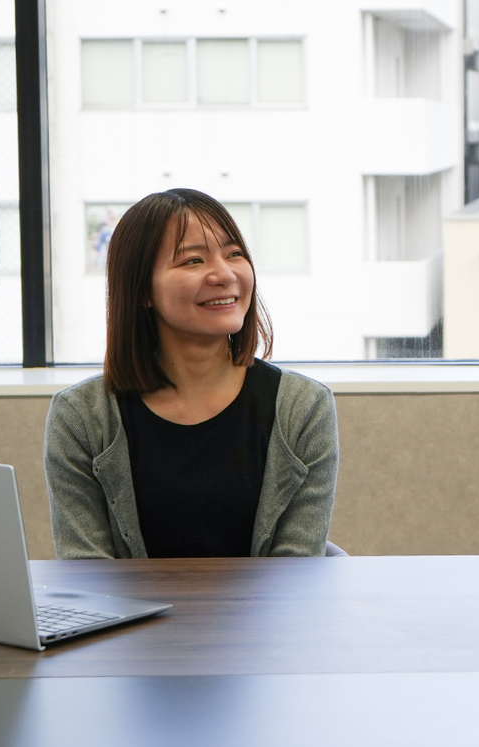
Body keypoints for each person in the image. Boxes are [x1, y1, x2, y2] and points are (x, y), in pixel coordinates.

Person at [45, 188, 340, 558]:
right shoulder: (81, 417)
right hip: (127, 603)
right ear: (141, 288)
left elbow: (296, 571)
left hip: (269, 601)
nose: (224, 274)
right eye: (193, 260)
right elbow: (86, 571)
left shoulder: (303, 407)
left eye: (234, 254)